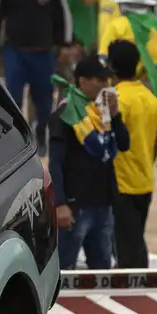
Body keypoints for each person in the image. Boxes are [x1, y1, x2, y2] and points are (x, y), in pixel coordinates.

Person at [0, 0, 72, 151]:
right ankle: (18, 139)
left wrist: (64, 44)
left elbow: (63, 16)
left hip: (42, 53)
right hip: (15, 51)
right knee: (12, 97)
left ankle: (41, 132)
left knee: (43, 99)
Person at [48, 55, 128, 271]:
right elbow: (55, 163)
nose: (106, 85)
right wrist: (60, 204)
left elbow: (124, 144)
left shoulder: (103, 114)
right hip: (75, 205)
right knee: (64, 268)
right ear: (83, 81)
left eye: (107, 80)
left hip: (103, 203)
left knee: (102, 269)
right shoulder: (66, 114)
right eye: (100, 80)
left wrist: (116, 115)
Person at [107, 40, 157, 269]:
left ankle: (133, 288)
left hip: (121, 183)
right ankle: (142, 284)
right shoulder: (151, 99)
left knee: (126, 247)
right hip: (145, 181)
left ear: (111, 66)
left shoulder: (114, 99)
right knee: (136, 241)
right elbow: (156, 142)